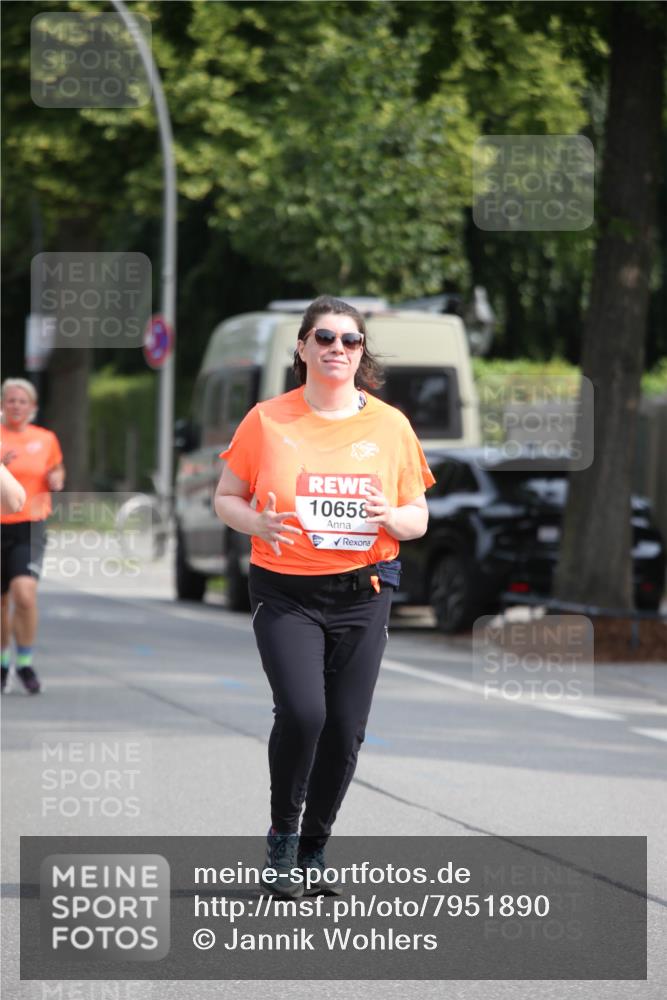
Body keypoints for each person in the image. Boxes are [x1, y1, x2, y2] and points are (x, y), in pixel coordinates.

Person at [214, 294, 435, 897]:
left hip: (364, 591)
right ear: (303, 348)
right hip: (285, 590)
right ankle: (282, 839)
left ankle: (314, 848)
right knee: (305, 712)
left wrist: (391, 515)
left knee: (345, 728)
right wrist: (254, 523)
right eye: (326, 338)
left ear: (362, 353)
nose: (338, 349)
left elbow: (417, 516)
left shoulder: (391, 426)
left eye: (350, 341)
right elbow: (226, 497)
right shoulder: (267, 419)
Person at [1, 378, 65, 694]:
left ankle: (24, 661)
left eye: (22, 401)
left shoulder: (46, 439)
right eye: (10, 400)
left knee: (24, 594)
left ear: (33, 407)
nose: (16, 405)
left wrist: (57, 479)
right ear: (2, 405)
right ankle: (2, 664)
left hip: (30, 524)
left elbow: (57, 471)